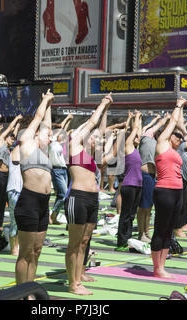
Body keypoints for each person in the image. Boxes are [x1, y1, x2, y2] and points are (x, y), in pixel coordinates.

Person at [65, 93, 113, 294]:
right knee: (74, 244)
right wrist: (102, 103)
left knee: (84, 243)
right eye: (91, 136)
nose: (95, 138)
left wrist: (107, 110)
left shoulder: (92, 157)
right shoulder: (75, 146)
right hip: (78, 198)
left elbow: (100, 130)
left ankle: (79, 276)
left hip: (92, 199)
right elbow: (92, 123)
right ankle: (73, 283)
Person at [14, 90, 54, 285]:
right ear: (36, 134)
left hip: (43, 204)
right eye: (48, 136)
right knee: (26, 252)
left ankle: (29, 290)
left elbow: (46, 123)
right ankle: (19, 293)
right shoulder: (27, 145)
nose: (52, 138)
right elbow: (39, 119)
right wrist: (44, 100)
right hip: (29, 201)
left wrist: (49, 104)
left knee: (37, 251)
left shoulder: (44, 152)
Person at [150, 97, 187, 278]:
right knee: (160, 228)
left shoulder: (175, 149)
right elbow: (173, 123)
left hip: (178, 191)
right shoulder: (162, 144)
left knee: (169, 231)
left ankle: (162, 267)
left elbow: (179, 125)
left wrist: (182, 112)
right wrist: (178, 105)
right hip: (164, 190)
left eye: (180, 137)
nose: (179, 138)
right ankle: (157, 268)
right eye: (176, 136)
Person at [0, 115, 22, 232]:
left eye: (14, 139)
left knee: (3, 202)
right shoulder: (0, 143)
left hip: (6, 177)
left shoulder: (10, 149)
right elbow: (9, 130)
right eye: (11, 138)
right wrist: (16, 119)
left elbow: (14, 133)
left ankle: (0, 225)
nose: (12, 140)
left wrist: (18, 125)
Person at [137, 114, 166, 242]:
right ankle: (141, 233)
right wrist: (163, 120)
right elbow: (151, 128)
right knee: (142, 207)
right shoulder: (146, 138)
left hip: (152, 176)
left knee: (148, 207)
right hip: (145, 175)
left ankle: (147, 231)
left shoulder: (156, 142)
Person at [116, 111, 143, 251]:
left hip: (138, 186)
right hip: (129, 185)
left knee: (132, 215)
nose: (138, 138)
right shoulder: (128, 147)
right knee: (126, 215)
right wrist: (135, 118)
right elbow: (135, 131)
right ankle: (121, 241)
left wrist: (139, 118)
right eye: (136, 137)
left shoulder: (137, 150)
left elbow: (139, 130)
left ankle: (128, 239)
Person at [49, 114, 73, 224]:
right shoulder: (52, 141)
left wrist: (68, 121)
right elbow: (61, 129)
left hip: (63, 170)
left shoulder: (58, 144)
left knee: (61, 195)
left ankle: (53, 217)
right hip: (56, 170)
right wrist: (67, 118)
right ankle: (52, 215)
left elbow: (64, 130)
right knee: (64, 195)